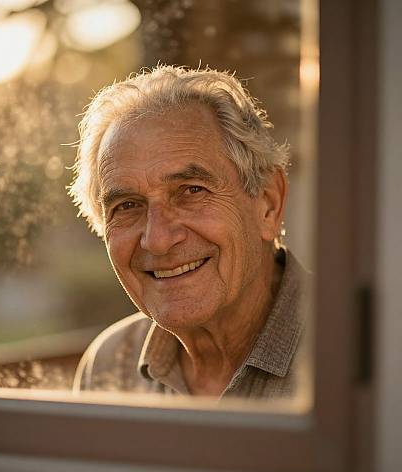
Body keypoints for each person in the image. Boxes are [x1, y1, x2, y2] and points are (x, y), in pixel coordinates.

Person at [69, 65, 309, 399]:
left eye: (192, 191)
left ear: (268, 204)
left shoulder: (363, 357)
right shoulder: (111, 367)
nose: (158, 239)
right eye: (127, 206)